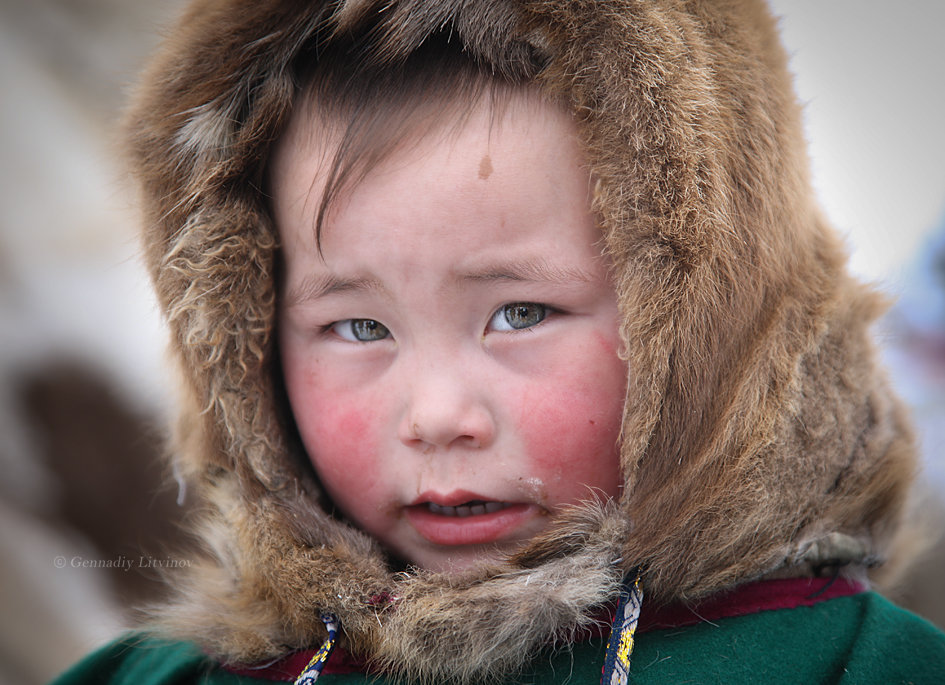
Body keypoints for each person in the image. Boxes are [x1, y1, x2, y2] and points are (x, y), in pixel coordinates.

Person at [53, 0, 945, 683]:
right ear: (245, 351)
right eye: (358, 327)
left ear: (707, 324)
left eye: (519, 313)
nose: (438, 415)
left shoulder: (852, 664)